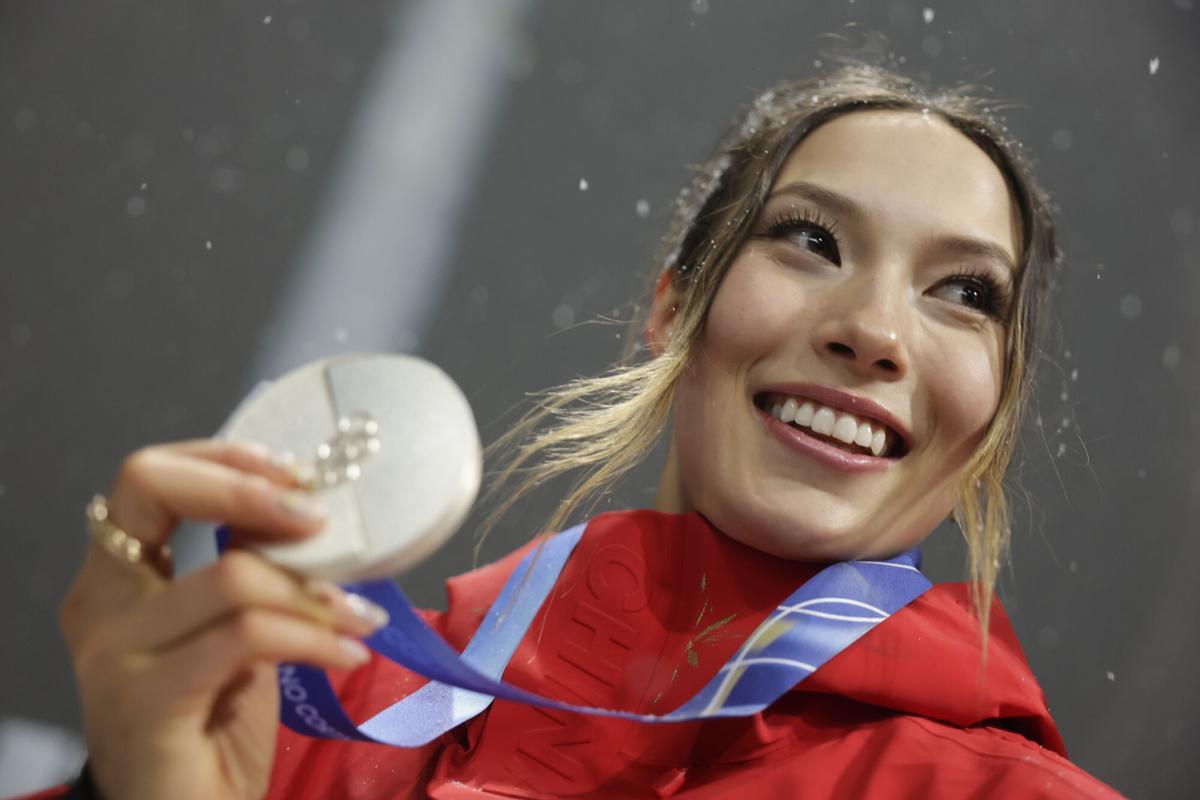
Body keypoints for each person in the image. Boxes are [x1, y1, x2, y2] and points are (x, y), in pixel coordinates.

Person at [38, 63, 1124, 799]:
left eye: (964, 294)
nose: (875, 330)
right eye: (808, 238)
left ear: (989, 419)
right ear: (671, 307)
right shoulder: (305, 716)